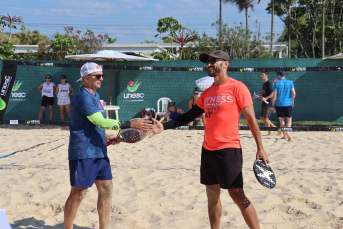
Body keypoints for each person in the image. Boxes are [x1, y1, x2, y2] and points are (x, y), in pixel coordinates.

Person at [150, 50, 269, 229]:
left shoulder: (238, 87)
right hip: (208, 151)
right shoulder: (207, 93)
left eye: (214, 61)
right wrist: (164, 126)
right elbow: (189, 115)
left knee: (237, 195)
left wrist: (260, 147)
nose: (209, 64)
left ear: (226, 64)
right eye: (208, 62)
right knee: (212, 196)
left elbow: (252, 120)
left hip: (229, 149)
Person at [64, 62, 151, 229]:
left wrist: (107, 136)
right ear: (85, 78)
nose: (101, 78)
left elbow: (95, 125)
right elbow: (101, 121)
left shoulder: (95, 95)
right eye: (98, 76)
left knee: (106, 189)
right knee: (78, 193)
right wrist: (130, 123)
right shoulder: (82, 96)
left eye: (102, 75)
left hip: (99, 150)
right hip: (83, 151)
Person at [271, 71, 296, 141]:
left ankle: (285, 135)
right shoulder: (290, 82)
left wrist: (273, 105)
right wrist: (292, 101)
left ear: (279, 75)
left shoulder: (276, 83)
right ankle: (287, 131)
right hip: (288, 103)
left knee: (281, 120)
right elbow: (293, 93)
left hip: (279, 104)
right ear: (284, 75)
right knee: (289, 119)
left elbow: (275, 95)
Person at [259, 70, 277, 136]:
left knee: (266, 119)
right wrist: (260, 97)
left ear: (267, 76)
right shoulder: (264, 84)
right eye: (261, 75)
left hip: (268, 103)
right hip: (264, 102)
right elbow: (264, 94)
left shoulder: (269, 83)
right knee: (261, 117)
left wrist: (266, 98)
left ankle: (269, 133)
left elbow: (272, 93)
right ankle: (274, 127)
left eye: (263, 75)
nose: (261, 76)